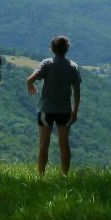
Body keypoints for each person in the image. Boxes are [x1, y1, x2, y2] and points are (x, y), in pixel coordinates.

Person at [26, 35, 81, 176]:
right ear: (67, 49)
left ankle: (41, 175)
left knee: (44, 144)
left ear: (52, 48)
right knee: (64, 144)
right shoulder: (73, 67)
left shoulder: (47, 63)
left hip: (46, 110)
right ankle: (64, 175)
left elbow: (30, 79)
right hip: (64, 111)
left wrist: (30, 85)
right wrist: (75, 111)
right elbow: (77, 92)